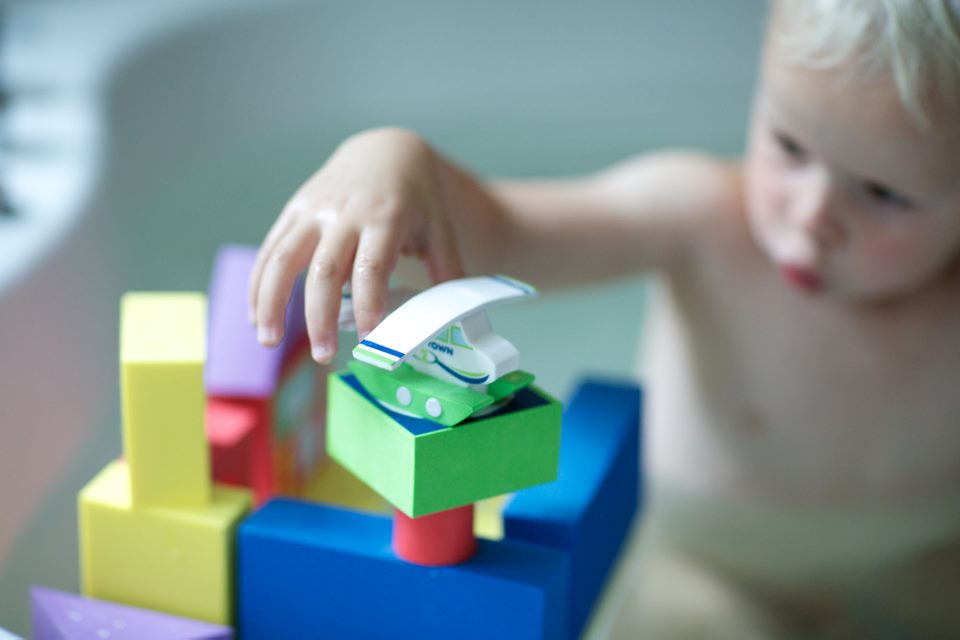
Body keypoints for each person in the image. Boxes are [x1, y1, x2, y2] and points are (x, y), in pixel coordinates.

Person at [248, 1, 960, 636]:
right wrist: (393, 159)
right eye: (789, 145)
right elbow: (504, 232)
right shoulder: (696, 219)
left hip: (924, 565)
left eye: (884, 193)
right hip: (711, 568)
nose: (811, 216)